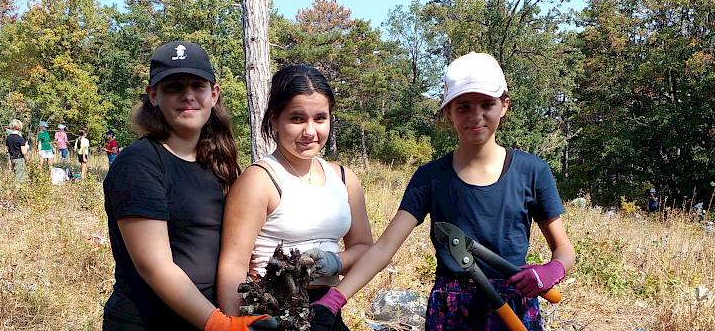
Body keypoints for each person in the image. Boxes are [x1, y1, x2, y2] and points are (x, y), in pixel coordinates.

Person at [310, 52, 576, 331]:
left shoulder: (532, 171)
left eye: (487, 104)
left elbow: (563, 248)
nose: (476, 116)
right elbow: (384, 248)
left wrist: (553, 269)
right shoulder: (430, 178)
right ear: (448, 111)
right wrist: (335, 298)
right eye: (463, 107)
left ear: (504, 105)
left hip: (514, 304)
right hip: (451, 310)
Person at [102, 41, 275, 330]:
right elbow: (155, 266)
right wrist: (221, 325)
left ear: (214, 94)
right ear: (153, 95)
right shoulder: (139, 164)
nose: (188, 96)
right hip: (151, 322)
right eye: (174, 87)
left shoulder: (220, 162)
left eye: (198, 86)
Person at [217, 65, 373, 330]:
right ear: (275, 119)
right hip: (272, 311)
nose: (310, 131)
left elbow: (366, 249)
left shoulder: (345, 179)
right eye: (297, 118)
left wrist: (335, 262)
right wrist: (238, 325)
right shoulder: (260, 180)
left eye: (320, 118)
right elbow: (232, 266)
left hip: (328, 309)